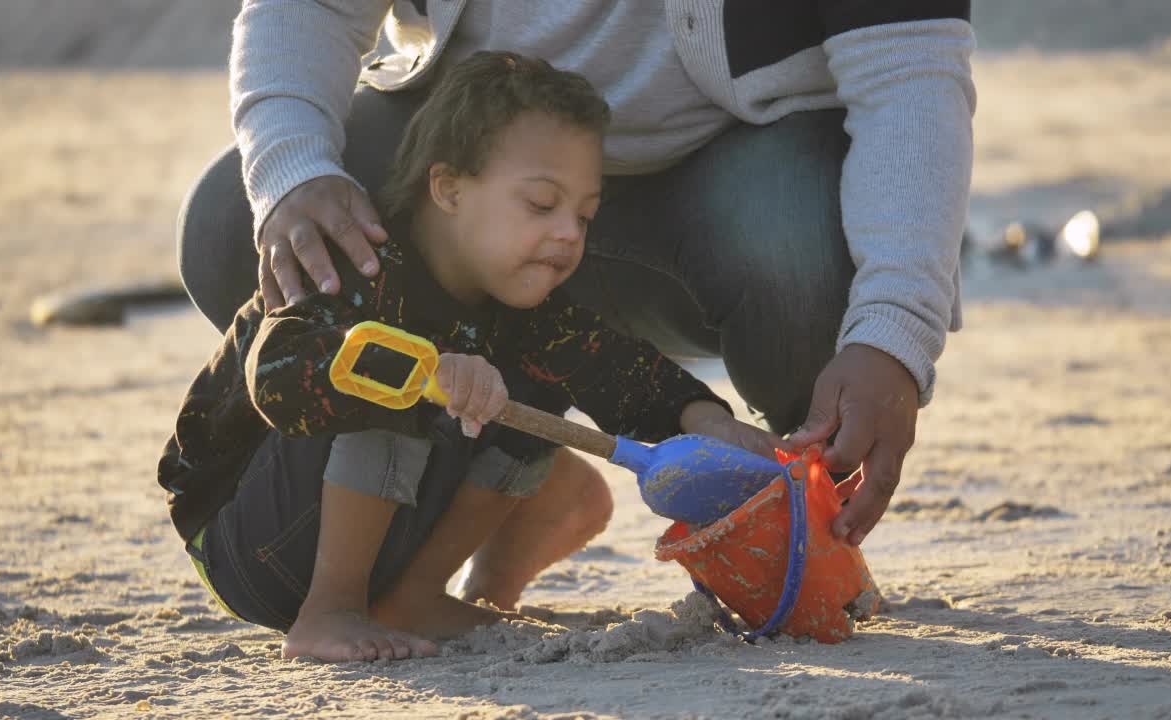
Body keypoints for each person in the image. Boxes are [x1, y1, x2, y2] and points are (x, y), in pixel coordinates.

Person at [178, 2, 975, 556]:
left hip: (733, 170)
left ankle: (788, 512)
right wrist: (294, 173)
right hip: (481, 160)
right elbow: (307, 7)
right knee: (236, 222)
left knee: (815, 273)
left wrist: (893, 335)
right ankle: (508, 466)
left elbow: (908, 70)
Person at [159, 51, 787, 663]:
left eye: (585, 215)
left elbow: (617, 368)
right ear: (449, 188)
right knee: (388, 368)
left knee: (543, 380)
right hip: (244, 540)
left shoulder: (519, 306)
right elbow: (275, 377)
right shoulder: (360, 264)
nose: (569, 232)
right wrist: (430, 368)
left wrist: (705, 420)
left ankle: (418, 599)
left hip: (354, 529)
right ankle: (331, 612)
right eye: (542, 204)